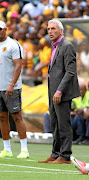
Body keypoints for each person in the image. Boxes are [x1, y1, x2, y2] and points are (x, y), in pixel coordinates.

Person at [0, 20, 29, 158]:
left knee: (17, 116)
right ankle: (7, 149)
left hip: (12, 88)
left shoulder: (13, 45)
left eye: (0, 28)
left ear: (5, 29)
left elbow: (18, 66)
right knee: (2, 117)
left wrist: (11, 85)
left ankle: (24, 149)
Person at [39, 19, 80, 164]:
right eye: (48, 29)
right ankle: (56, 153)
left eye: (53, 29)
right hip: (53, 92)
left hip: (61, 93)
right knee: (54, 123)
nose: (50, 31)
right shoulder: (55, 46)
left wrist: (59, 91)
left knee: (64, 124)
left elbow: (70, 72)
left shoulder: (67, 46)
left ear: (61, 31)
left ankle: (65, 155)